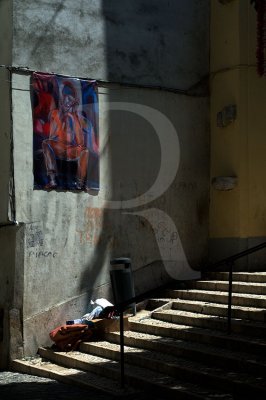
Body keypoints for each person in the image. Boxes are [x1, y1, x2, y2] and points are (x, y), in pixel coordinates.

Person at [42, 81, 90, 189]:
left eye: (70, 100)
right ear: (62, 101)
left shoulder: (78, 118)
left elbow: (80, 142)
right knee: (46, 143)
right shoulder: (55, 114)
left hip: (72, 150)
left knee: (85, 151)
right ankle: (52, 180)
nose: (67, 102)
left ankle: (80, 184)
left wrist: (72, 117)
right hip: (60, 147)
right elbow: (52, 136)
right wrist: (62, 118)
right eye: (65, 99)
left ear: (74, 102)